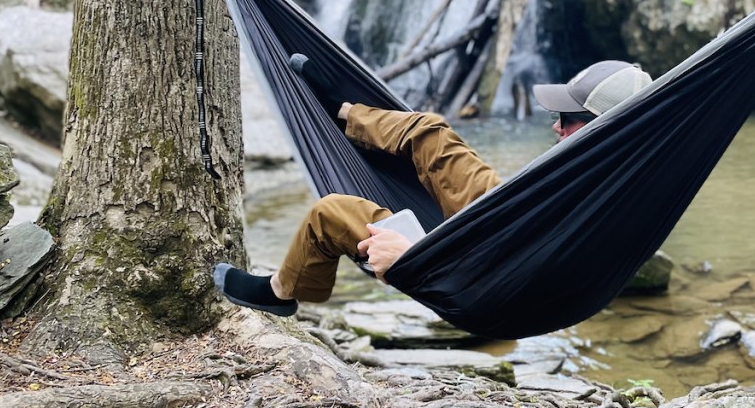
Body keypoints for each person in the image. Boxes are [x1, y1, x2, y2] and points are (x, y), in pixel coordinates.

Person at [214, 59, 652, 316]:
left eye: (569, 119)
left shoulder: (617, 190)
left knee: (332, 212)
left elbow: (543, 266)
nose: (555, 125)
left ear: (604, 129)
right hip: (507, 218)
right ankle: (343, 113)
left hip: (487, 269)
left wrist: (410, 258)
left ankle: (279, 292)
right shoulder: (603, 163)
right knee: (429, 132)